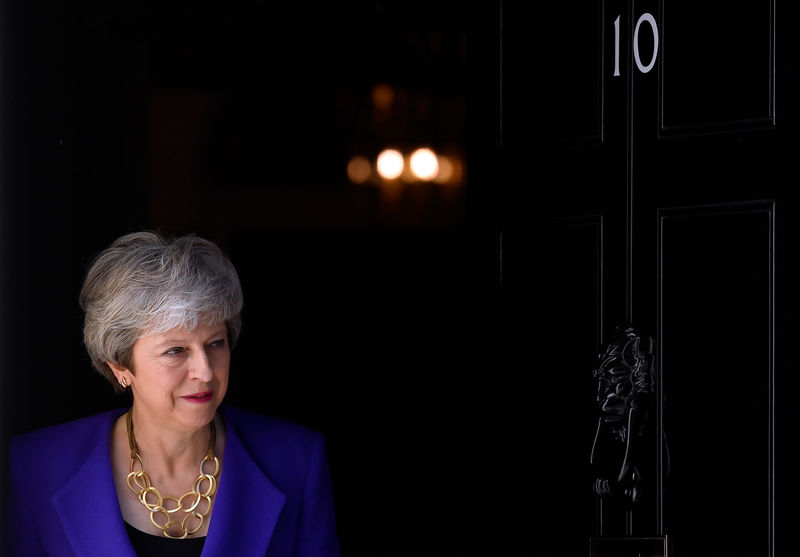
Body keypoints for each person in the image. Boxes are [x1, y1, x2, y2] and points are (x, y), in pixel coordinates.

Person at [5, 231, 341, 557]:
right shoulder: (37, 466)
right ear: (119, 365)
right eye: (175, 351)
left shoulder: (297, 461)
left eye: (216, 344)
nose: (205, 371)